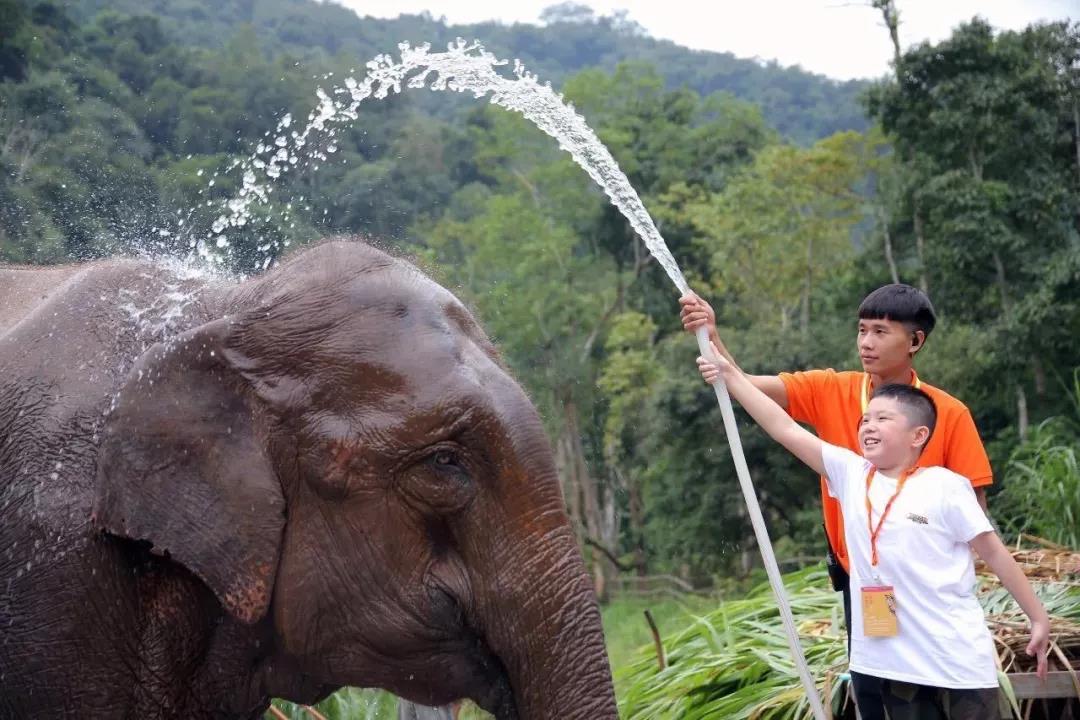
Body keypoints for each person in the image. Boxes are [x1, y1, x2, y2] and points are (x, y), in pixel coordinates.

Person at [696, 349, 1049, 719]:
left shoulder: (947, 487)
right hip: (891, 661)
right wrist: (730, 376)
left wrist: (1037, 617)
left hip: (954, 657)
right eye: (865, 420)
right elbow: (784, 428)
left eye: (882, 418)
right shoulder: (850, 474)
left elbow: (994, 553)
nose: (868, 426)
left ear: (918, 435)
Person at [681, 285, 993, 644]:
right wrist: (713, 335)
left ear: (915, 341)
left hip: (929, 580)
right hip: (866, 578)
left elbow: (976, 512)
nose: (866, 342)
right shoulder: (831, 389)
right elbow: (747, 386)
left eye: (880, 332)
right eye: (862, 330)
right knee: (880, 676)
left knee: (933, 677)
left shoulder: (949, 413)